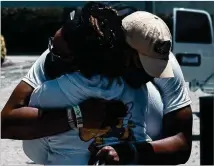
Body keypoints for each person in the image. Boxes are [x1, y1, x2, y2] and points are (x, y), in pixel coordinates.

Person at [1, 5, 193, 166]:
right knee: (45, 100)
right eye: (145, 67)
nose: (152, 75)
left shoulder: (163, 61)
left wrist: (130, 152)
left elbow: (182, 144)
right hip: (56, 144)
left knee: (147, 95)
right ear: (122, 50)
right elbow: (5, 124)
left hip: (142, 142)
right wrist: (77, 115)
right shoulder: (60, 55)